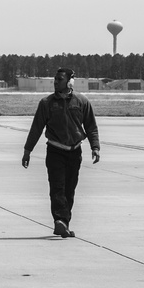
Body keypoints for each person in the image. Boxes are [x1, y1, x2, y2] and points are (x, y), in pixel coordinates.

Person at [22, 68, 100, 238]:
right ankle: (60, 221)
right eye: (55, 79)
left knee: (69, 190)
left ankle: (64, 222)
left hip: (74, 152)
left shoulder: (81, 101)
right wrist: (27, 151)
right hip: (55, 151)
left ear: (70, 82)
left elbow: (91, 126)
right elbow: (36, 128)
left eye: (59, 79)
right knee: (57, 188)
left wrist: (95, 147)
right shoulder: (47, 103)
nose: (55, 82)